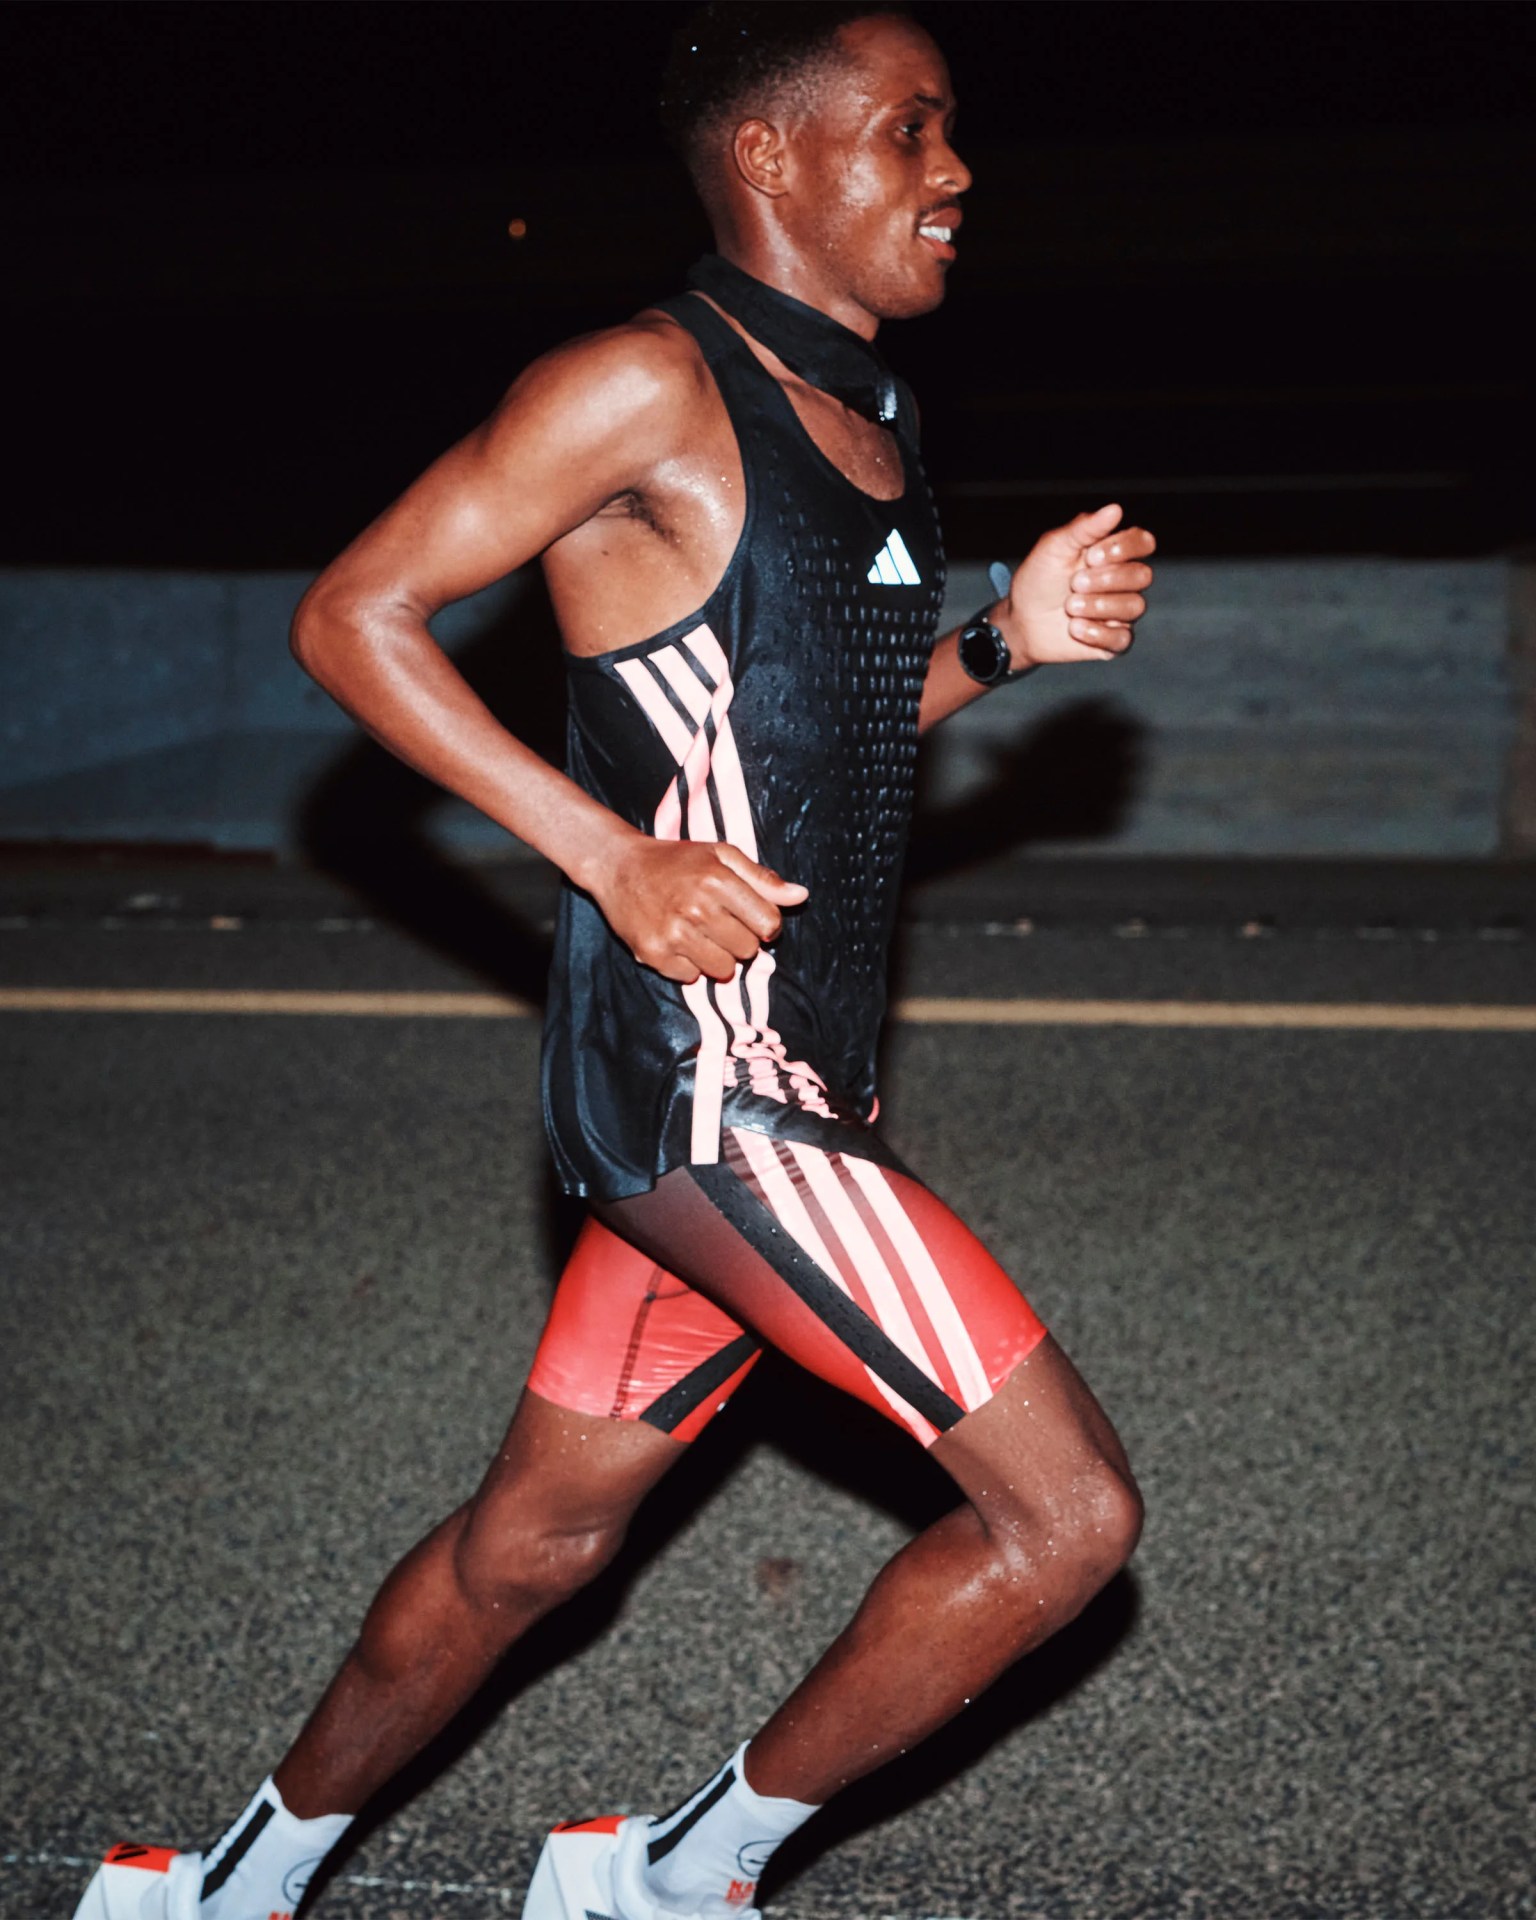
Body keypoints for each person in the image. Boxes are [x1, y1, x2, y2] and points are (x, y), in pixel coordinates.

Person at [73, 6, 1158, 1917]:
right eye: (910, 133)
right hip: (710, 1091)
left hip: (801, 1073)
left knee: (535, 1552)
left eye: (952, 132)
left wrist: (999, 648)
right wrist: (605, 856)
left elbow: (816, 734)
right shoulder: (640, 390)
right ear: (771, 159)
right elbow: (356, 617)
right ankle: (666, 1874)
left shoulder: (881, 413)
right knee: (1068, 1521)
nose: (955, 172)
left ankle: (208, 1892)